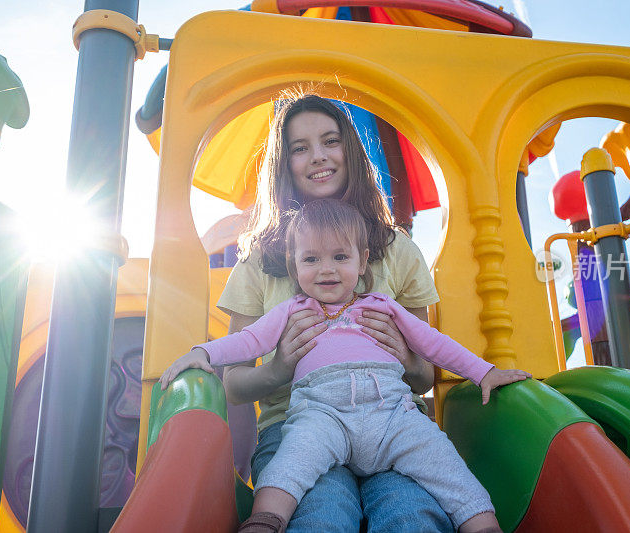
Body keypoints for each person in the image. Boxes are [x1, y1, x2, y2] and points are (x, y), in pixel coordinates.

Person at [161, 93, 474, 532]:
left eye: (330, 141)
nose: (318, 157)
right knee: (322, 516)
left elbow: (426, 375)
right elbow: (234, 385)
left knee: (411, 515)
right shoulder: (259, 262)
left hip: (391, 423)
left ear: (350, 149)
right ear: (283, 163)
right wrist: (281, 366)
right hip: (297, 427)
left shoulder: (397, 250)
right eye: (299, 147)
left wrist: (406, 359)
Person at [160, 199, 532, 532]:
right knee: (290, 463)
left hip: (391, 412)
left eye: (340, 257)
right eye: (311, 259)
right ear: (294, 264)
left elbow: (433, 343)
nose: (327, 270)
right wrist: (204, 353)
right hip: (322, 412)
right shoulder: (292, 310)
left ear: (362, 258)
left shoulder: (381, 306)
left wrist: (484, 372)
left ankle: (483, 525)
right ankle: (264, 523)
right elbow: (249, 340)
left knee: (445, 465)